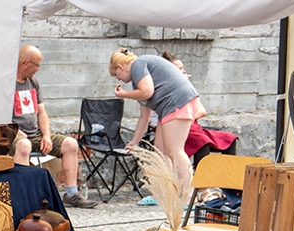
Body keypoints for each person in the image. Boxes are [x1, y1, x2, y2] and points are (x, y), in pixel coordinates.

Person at [12, 44, 98, 209]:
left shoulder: (33, 83)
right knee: (24, 145)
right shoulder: (7, 84)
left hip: (35, 134)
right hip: (15, 134)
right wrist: (15, 131)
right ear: (26, 63)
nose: (38, 69)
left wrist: (46, 135)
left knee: (71, 144)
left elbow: (42, 113)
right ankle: (21, 195)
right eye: (37, 65)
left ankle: (72, 194)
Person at [110, 47, 207, 192]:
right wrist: (135, 142)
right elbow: (145, 115)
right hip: (167, 107)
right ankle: (170, 191)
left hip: (176, 103)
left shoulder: (138, 64)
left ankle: (188, 195)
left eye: (115, 74)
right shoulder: (138, 80)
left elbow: (147, 92)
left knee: (174, 150)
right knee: (160, 150)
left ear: (120, 67)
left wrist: (125, 94)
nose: (118, 79)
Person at [161, 50, 238, 168]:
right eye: (179, 69)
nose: (184, 71)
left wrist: (186, 114)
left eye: (183, 68)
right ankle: (201, 183)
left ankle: (227, 182)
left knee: (229, 139)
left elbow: (202, 111)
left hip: (192, 127)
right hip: (176, 130)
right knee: (202, 142)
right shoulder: (163, 90)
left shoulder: (186, 87)